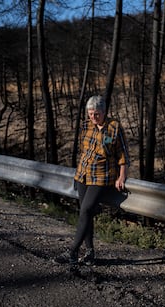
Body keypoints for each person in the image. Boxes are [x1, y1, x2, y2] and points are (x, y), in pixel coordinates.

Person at [54, 95, 130, 266]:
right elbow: (83, 150)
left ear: (104, 112)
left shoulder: (114, 127)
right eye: (90, 114)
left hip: (101, 177)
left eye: (96, 114)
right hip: (83, 175)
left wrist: (122, 175)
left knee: (86, 210)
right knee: (85, 213)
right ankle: (89, 252)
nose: (93, 117)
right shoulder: (86, 125)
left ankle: (72, 252)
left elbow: (123, 154)